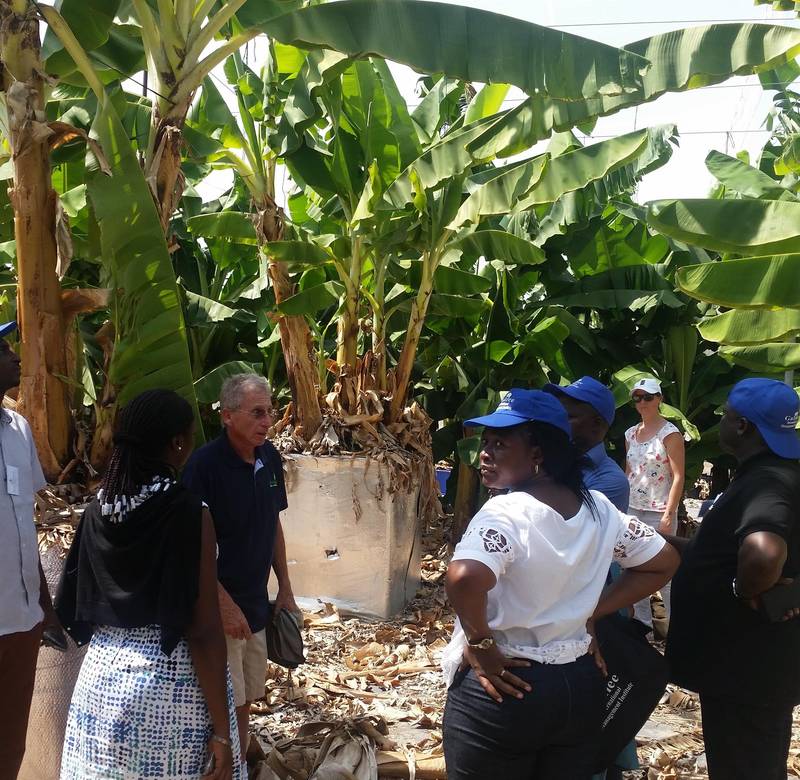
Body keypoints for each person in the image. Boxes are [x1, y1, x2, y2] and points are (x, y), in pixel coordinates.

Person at [441, 388, 679, 780]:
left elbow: (465, 577)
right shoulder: (599, 508)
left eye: (501, 444)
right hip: (579, 683)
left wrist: (481, 645)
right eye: (485, 442)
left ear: (538, 454)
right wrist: (592, 613)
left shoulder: (506, 511)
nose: (485, 453)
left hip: (508, 684)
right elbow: (663, 561)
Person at [55, 389, 238, 780]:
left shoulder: (95, 512)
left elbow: (74, 606)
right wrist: (222, 733)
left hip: (98, 689)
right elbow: (204, 630)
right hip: (170, 692)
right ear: (177, 444)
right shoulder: (189, 513)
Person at [666, 378, 800, 780]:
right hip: (759, 668)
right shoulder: (781, 472)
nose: (720, 422)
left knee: (743, 768)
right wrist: (662, 543)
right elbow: (721, 555)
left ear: (742, 426)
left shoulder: (768, 481)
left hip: (744, 668)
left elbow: (763, 552)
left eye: (725, 415)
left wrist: (743, 589)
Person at [183, 374, 298, 764]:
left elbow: (273, 524)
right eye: (257, 413)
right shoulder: (204, 467)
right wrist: (223, 604)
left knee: (248, 695)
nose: (268, 421)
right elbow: (188, 545)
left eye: (270, 411)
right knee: (224, 699)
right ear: (228, 416)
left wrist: (284, 586)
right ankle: (220, 767)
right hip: (219, 608)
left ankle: (237, 768)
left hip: (255, 603)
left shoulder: (269, 458)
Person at [544, 377, 635, 780]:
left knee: (600, 704)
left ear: (598, 426)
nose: (560, 421)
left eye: (571, 415)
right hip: (563, 602)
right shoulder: (552, 466)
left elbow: (577, 545)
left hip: (596, 602)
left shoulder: (606, 481)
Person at [0, 321, 63, 779]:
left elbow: (27, 524)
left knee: (10, 743)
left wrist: (44, 605)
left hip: (20, 622)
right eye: (3, 350)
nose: (15, 356)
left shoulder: (19, 427)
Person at [624, 377, 685, 626]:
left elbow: (679, 475)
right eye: (637, 397)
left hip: (659, 510)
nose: (642, 402)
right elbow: (628, 471)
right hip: (633, 508)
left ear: (659, 399)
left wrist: (669, 514)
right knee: (634, 568)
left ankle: (672, 629)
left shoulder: (670, 434)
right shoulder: (630, 433)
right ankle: (641, 627)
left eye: (648, 397)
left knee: (665, 572)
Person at [543, 376, 629, 512]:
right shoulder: (548, 460)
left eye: (567, 417)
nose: (556, 421)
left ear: (596, 424)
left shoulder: (610, 480)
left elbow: (565, 527)